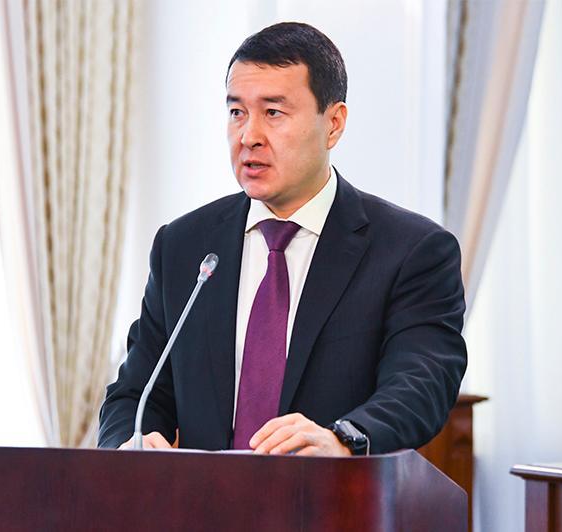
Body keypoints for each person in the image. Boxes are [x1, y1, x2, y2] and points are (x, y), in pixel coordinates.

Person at [98, 22, 467, 456]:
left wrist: (341, 439)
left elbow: (421, 385)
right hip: (203, 497)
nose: (248, 136)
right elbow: (135, 393)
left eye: (273, 113)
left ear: (333, 124)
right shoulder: (184, 246)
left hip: (332, 495)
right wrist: (131, 443)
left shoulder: (411, 251)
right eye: (237, 112)